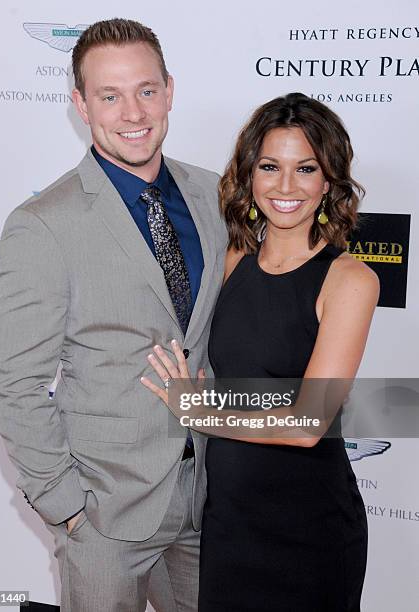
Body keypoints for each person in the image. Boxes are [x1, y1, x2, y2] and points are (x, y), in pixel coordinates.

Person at [0, 18, 227, 612]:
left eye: (146, 90)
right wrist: (65, 505)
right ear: (80, 104)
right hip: (104, 512)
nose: (133, 112)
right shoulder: (44, 223)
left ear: (169, 90)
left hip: (212, 497)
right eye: (109, 96)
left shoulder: (216, 196)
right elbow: (12, 382)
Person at [141, 92, 380, 611]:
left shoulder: (350, 279)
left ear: (329, 180)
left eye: (306, 168)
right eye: (270, 166)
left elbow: (309, 420)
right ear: (250, 173)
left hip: (311, 529)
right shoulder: (230, 259)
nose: (286, 187)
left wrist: (198, 410)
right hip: (228, 522)